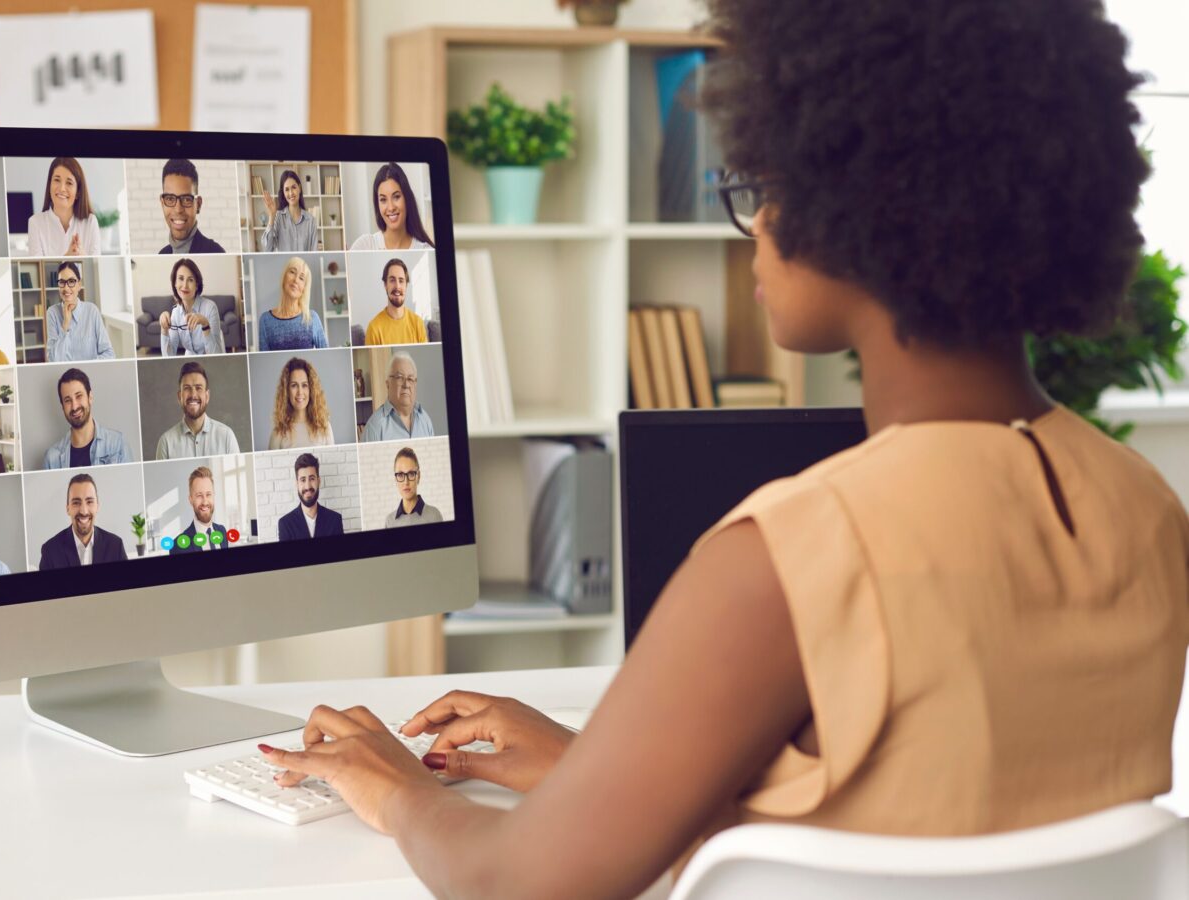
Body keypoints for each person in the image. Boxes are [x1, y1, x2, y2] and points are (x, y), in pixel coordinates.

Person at [253, 2, 1189, 896]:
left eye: (764, 187)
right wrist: (592, 771)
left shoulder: (788, 556)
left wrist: (393, 783)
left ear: (856, 199)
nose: (756, 227)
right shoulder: (1144, 506)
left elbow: (516, 883)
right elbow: (923, 824)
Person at [43, 368, 132, 469]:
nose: (74, 407)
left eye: (79, 396)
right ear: (62, 406)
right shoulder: (51, 458)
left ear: (90, 397)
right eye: (68, 400)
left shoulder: (117, 444)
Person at [38, 473, 128, 569]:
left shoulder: (115, 546)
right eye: (76, 503)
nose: (83, 511)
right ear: (68, 508)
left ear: (97, 506)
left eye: (89, 502)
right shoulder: (50, 551)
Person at [155, 361, 241, 459]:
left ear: (207, 396)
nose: (193, 395)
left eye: (198, 388)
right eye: (187, 388)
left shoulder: (227, 437)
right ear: (179, 397)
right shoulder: (166, 443)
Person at [349, 162, 435, 251]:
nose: (391, 207)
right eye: (383, 200)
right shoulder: (365, 246)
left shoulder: (425, 250)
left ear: (407, 198)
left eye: (396, 197)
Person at [26, 157, 101, 257]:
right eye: (57, 180)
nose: (62, 188)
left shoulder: (91, 222)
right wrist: (67, 258)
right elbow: (39, 272)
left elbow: (95, 269)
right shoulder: (35, 223)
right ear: (49, 186)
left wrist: (82, 255)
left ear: (78, 192)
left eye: (69, 183)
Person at [45, 260, 114, 361]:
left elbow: (109, 354)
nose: (66, 287)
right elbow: (52, 359)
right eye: (62, 282)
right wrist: (65, 325)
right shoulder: (52, 313)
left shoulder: (92, 311)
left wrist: (86, 366)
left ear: (79, 285)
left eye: (71, 281)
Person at [257, 256, 329, 351]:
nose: (296, 280)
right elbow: (264, 361)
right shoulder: (265, 321)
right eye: (292, 272)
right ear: (284, 278)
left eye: (301, 278)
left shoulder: (312, 318)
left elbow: (326, 353)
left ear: (304, 289)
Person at [157, 258, 224, 356]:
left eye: (190, 280)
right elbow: (169, 356)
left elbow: (217, 354)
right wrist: (164, 329)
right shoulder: (175, 313)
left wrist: (205, 325)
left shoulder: (210, 308)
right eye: (180, 278)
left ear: (197, 285)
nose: (185, 285)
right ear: (175, 283)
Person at [362, 351, 434, 441]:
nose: (406, 384)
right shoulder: (374, 427)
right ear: (388, 384)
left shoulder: (425, 420)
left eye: (410, 379)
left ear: (415, 384)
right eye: (399, 377)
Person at [158, 159, 225, 254]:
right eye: (170, 199)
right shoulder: (162, 254)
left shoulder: (215, 251)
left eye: (186, 199)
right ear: (162, 203)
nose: (178, 209)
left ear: (198, 204)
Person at [269, 357, 335, 450]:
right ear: (286, 391)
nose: (300, 392)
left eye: (304, 385)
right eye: (294, 385)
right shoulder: (278, 433)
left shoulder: (325, 427)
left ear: (311, 389)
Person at [277, 452, 343, 540]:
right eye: (303, 480)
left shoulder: (335, 520)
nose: (308, 486)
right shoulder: (285, 524)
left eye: (312, 479)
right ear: (297, 484)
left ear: (318, 481)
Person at [363, 259, 427, 346]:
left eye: (401, 281)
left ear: (406, 285)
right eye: (392, 280)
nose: (397, 286)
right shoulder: (374, 328)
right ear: (385, 285)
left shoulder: (418, 323)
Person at [169, 466, 230, 554]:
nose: (205, 502)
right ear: (190, 499)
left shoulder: (222, 531)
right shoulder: (177, 546)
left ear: (213, 496)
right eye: (199, 495)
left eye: (208, 494)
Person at [260, 169, 318, 253]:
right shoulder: (278, 218)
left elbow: (314, 254)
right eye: (287, 189)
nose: (291, 193)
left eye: (294, 187)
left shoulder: (310, 220)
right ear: (283, 193)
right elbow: (267, 249)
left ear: (299, 188)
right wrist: (272, 216)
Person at [383, 447, 442, 528]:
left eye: (411, 474)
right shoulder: (389, 521)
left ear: (419, 477)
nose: (406, 482)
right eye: (400, 475)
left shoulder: (434, 516)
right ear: (395, 479)